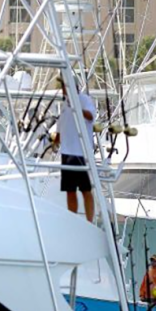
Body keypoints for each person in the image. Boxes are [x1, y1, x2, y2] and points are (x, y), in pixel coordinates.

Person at [57, 78, 97, 222]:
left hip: (81, 152)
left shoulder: (84, 99)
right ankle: (73, 220)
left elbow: (91, 116)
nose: (63, 89)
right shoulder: (64, 105)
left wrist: (77, 108)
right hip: (66, 152)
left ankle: (89, 221)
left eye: (64, 86)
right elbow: (60, 127)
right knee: (70, 190)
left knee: (86, 190)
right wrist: (55, 143)